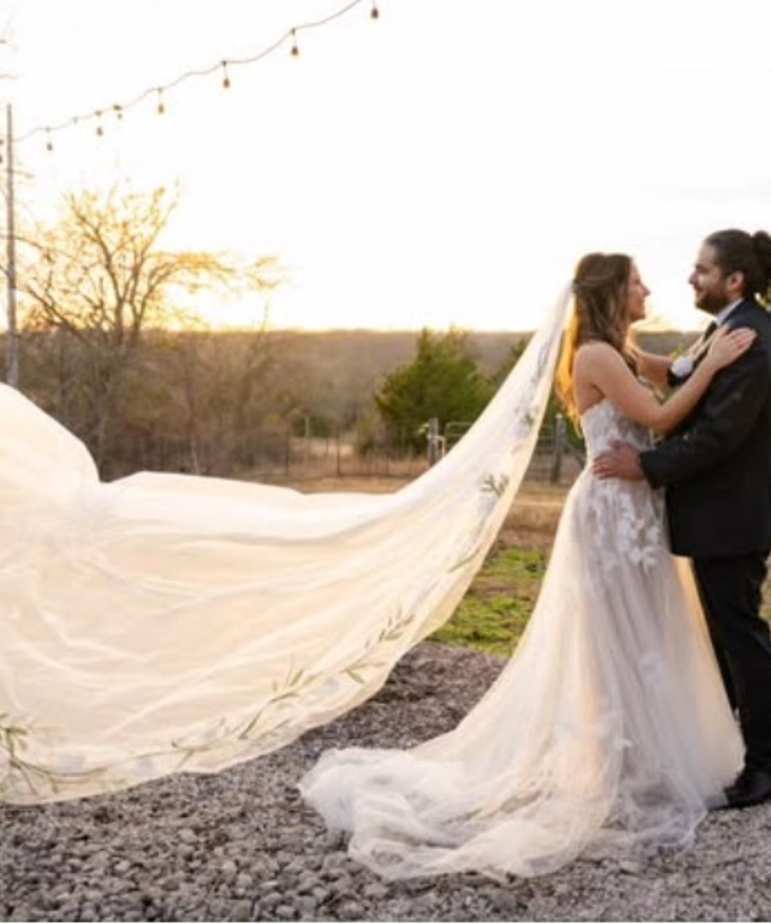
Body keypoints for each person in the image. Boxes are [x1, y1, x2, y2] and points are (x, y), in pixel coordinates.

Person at [300, 252, 755, 880]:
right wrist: (717, 368)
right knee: (615, 639)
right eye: (636, 282)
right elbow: (657, 416)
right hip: (611, 515)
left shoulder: (619, 348)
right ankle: (615, 766)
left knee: (647, 634)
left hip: (637, 514)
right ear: (610, 293)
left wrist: (701, 360)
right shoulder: (596, 353)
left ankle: (648, 758)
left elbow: (669, 370)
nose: (648, 288)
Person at [593, 229, 771, 810]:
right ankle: (726, 748)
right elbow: (683, 373)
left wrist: (644, 464)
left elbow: (719, 435)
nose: (690, 279)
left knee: (741, 637)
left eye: (701, 270)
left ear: (734, 280)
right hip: (713, 516)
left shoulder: (753, 339)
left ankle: (765, 766)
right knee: (722, 636)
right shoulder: (725, 330)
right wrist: (624, 353)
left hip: (734, 516)